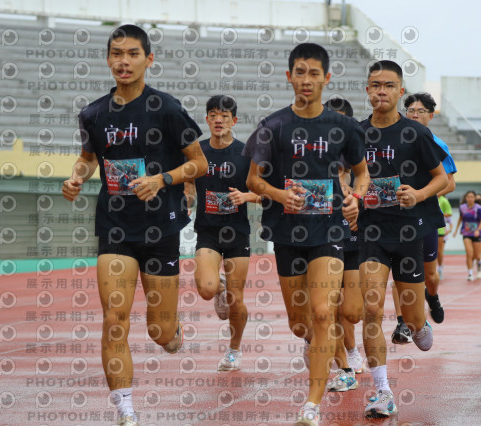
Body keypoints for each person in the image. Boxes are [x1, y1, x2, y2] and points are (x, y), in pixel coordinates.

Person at [61, 25, 208, 426]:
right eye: (116, 54)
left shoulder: (167, 108)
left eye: (132, 54)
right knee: (114, 316)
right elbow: (88, 158)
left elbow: (199, 163)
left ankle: (172, 330)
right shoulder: (94, 113)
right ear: (108, 58)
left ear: (148, 59)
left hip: (161, 228)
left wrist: (162, 180)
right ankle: (125, 409)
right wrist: (76, 177)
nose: (123, 61)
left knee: (161, 332)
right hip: (115, 226)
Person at [243, 43, 369, 426]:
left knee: (323, 312)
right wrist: (280, 195)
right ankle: (317, 348)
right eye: (300, 72)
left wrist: (355, 198)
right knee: (301, 323)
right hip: (286, 233)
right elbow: (253, 181)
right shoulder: (273, 127)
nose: (307, 80)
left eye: (315, 73)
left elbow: (362, 173)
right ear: (289, 76)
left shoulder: (343, 127)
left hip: (329, 230)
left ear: (326, 78)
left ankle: (312, 404)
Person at [358, 60, 448, 418]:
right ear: (368, 89)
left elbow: (442, 178)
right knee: (371, 309)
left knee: (412, 321)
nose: (381, 91)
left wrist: (419, 194)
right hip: (371, 231)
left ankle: (419, 323)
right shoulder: (355, 133)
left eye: (389, 85)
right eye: (375, 85)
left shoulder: (415, 133)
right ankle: (382, 391)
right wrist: (349, 197)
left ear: (399, 91)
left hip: (409, 231)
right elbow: (344, 176)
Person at [188, 95, 260, 371]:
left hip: (237, 234)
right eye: (213, 115)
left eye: (224, 116)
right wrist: (187, 197)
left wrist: (247, 196)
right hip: (207, 232)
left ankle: (234, 350)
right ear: (207, 119)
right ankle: (219, 286)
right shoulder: (197, 151)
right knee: (207, 289)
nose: (218, 120)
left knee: (236, 299)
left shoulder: (246, 153)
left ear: (234, 121)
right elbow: (187, 181)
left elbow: (265, 192)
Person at [389, 92, 458, 342]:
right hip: (395, 216)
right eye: (410, 110)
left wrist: (420, 195)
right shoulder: (393, 139)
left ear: (430, 116)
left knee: (429, 275)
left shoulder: (436, 144)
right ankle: (402, 323)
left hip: (424, 216)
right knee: (400, 272)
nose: (414, 115)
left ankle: (433, 296)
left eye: (420, 111)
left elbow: (449, 183)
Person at [323, 97, 366, 394]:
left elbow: (369, 182)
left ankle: (349, 348)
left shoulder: (358, 150)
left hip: (352, 237)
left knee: (351, 311)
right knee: (329, 306)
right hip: (323, 235)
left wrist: (357, 203)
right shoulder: (312, 151)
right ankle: (345, 361)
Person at [453, 191, 481, 281]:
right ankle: (470, 274)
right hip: (466, 233)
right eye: (468, 197)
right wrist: (456, 230)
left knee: (477, 256)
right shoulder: (462, 208)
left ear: (474, 198)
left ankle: (479, 268)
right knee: (469, 253)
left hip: (476, 233)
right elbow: (460, 219)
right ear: (466, 198)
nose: (470, 198)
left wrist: (478, 230)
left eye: (472, 197)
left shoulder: (478, 208)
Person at [437, 194, 453, 281]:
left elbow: (449, 213)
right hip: (428, 228)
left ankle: (440, 269)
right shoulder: (428, 196)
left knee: (439, 251)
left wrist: (437, 214)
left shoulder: (443, 200)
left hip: (440, 231)